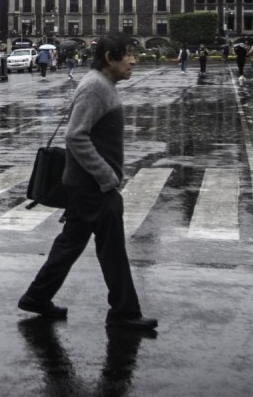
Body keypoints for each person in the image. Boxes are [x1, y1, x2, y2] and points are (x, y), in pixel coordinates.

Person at [18, 33, 158, 332]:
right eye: (129, 54)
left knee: (70, 244)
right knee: (113, 249)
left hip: (85, 184)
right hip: (92, 186)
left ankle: (36, 296)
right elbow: (75, 136)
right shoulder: (96, 87)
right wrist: (106, 177)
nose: (134, 60)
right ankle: (124, 311)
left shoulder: (103, 85)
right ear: (110, 57)